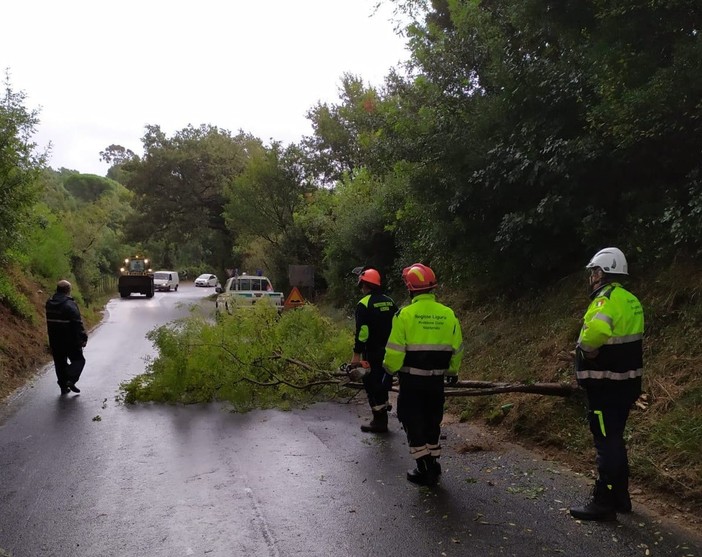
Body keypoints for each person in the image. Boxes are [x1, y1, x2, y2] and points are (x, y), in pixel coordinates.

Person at [570, 247, 644, 521]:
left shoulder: (605, 299)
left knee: (606, 443)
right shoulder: (631, 299)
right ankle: (622, 497)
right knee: (616, 438)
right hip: (627, 382)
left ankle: (604, 501)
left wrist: (586, 349)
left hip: (605, 384)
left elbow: (597, 332)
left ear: (601, 272)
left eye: (593, 272)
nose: (591, 277)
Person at [383, 263, 463, 486]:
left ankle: (424, 467)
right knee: (432, 419)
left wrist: (388, 371)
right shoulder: (448, 314)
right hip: (436, 381)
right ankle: (433, 462)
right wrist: (452, 372)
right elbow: (457, 348)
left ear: (410, 289)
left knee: (411, 419)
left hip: (411, 381)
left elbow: (394, 351)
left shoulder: (404, 315)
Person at [350, 268, 398, 433]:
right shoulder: (390, 301)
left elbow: (363, 332)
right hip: (391, 351)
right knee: (384, 383)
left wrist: (356, 353)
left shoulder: (364, 304)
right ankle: (382, 417)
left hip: (372, 352)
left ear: (365, 284)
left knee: (372, 385)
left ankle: (379, 422)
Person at [46, 280, 88, 395]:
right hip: (70, 341)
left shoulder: (49, 303)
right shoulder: (69, 305)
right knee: (79, 361)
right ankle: (69, 379)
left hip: (54, 340)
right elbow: (77, 324)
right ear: (68, 290)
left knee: (60, 363)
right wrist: (83, 338)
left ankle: (63, 387)